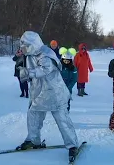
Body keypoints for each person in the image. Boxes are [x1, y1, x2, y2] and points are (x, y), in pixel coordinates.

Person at [15, 31, 79, 161]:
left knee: (62, 120)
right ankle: (33, 140)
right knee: (33, 115)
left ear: (33, 44)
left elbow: (45, 69)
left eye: (26, 46)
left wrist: (28, 73)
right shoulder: (30, 54)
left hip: (54, 93)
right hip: (39, 93)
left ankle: (72, 145)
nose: (24, 49)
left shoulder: (45, 53)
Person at [59, 47, 78, 112]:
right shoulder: (59, 67)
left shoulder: (73, 68)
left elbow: (74, 79)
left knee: (66, 101)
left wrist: (69, 87)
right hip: (59, 88)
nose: (66, 62)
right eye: (65, 60)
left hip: (68, 88)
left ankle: (66, 111)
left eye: (68, 61)